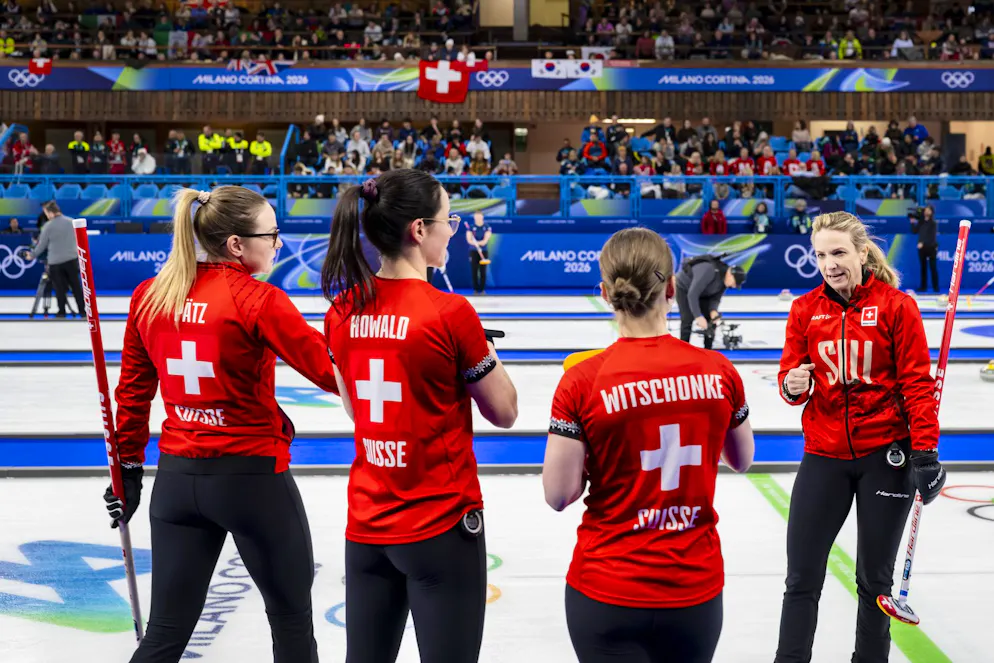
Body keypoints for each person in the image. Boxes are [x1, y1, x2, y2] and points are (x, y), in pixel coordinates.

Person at [106, 186, 338, 663]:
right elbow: (331, 371)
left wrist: (126, 470)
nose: (277, 244)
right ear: (236, 245)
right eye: (271, 234)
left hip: (175, 483)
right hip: (251, 482)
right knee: (292, 624)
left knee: (164, 634)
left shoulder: (150, 296)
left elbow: (131, 394)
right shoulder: (259, 299)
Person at [321, 169, 518, 663]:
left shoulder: (341, 311)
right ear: (419, 231)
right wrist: (485, 354)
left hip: (367, 525)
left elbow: (355, 408)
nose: (454, 228)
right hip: (439, 526)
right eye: (448, 219)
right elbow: (505, 411)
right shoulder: (450, 313)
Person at [542, 227, 755, 663]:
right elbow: (742, 459)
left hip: (607, 585)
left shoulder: (583, 380)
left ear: (605, 292)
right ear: (673, 289)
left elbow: (559, 495)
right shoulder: (719, 370)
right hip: (693, 589)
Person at [775, 212, 946, 663]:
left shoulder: (895, 306)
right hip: (823, 455)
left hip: (884, 454)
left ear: (862, 253)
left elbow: (916, 383)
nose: (829, 264)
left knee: (875, 582)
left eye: (838, 253)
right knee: (802, 576)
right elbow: (792, 377)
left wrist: (925, 451)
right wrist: (792, 385)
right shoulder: (805, 309)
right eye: (820, 255)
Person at [674, 254, 746, 350]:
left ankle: (708, 351)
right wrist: (698, 316)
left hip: (704, 292)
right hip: (685, 289)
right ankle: (683, 351)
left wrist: (713, 310)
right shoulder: (709, 270)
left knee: (711, 321)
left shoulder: (725, 281)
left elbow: (715, 298)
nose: (733, 286)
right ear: (730, 274)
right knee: (687, 319)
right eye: (734, 283)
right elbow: (693, 294)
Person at [27, 201, 85, 318]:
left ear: (50, 213)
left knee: (60, 288)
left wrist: (31, 255)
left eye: (46, 213)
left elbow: (41, 245)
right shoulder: (71, 222)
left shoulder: (48, 226)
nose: (47, 216)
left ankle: (62, 312)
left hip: (56, 263)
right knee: (76, 287)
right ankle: (82, 311)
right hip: (72, 260)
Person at [912, 205, 938, 293]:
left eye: (928, 210)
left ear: (931, 212)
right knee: (923, 268)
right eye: (925, 210)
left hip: (931, 247)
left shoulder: (933, 223)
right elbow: (914, 231)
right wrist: (912, 222)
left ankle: (936, 287)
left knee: (933, 267)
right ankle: (923, 287)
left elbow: (932, 237)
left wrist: (923, 242)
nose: (926, 212)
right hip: (922, 249)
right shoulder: (921, 222)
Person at [465, 211, 492, 295]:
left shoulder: (487, 227)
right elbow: (469, 240)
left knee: (483, 271)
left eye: (479, 217)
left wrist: (478, 243)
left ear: (482, 217)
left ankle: (482, 290)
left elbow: (485, 241)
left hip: (483, 251)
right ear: (474, 218)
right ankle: (476, 290)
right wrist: (475, 243)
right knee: (474, 270)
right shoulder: (471, 227)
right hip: (473, 252)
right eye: (476, 217)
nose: (478, 218)